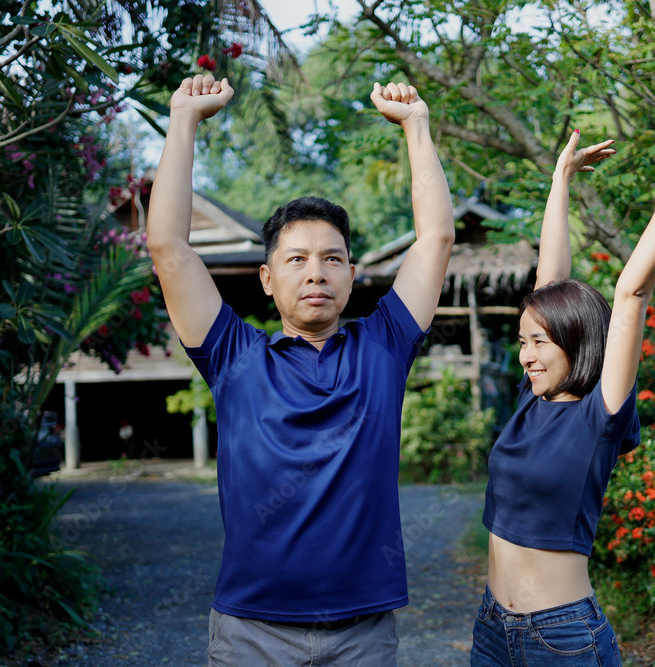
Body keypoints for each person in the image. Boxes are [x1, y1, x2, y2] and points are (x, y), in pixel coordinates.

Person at [146, 73, 454, 666]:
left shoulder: (384, 347)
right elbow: (168, 248)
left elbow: (436, 238)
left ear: (352, 276)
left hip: (362, 633)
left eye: (332, 259)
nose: (316, 272)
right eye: (297, 259)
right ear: (267, 278)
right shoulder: (233, 355)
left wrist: (417, 125)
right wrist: (183, 120)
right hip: (251, 632)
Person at [471, 126, 655, 666]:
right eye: (522, 342)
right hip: (492, 629)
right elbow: (550, 282)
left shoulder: (599, 416)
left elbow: (632, 293)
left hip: (561, 639)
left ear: (573, 340)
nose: (526, 355)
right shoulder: (531, 399)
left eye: (539, 342)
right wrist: (560, 179)